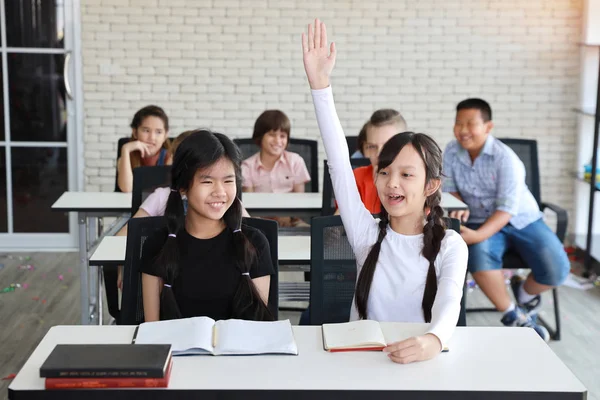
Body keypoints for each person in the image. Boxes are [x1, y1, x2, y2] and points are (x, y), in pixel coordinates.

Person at [302, 19, 468, 364]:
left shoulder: (451, 244)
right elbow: (338, 162)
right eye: (385, 172)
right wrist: (321, 86)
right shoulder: (366, 233)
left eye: (407, 174)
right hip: (360, 363)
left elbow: (450, 299)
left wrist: (434, 339)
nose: (392, 183)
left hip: (423, 362)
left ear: (431, 185)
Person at [444, 98, 570, 342]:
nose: (462, 130)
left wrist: (479, 235)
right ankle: (515, 316)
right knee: (479, 262)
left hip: (521, 219)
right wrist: (459, 206)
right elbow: (451, 188)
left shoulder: (506, 159)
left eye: (470, 123)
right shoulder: (451, 150)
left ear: (488, 127)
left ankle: (523, 293)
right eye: (458, 123)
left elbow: (506, 210)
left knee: (558, 269)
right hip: (481, 219)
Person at [140, 130, 274, 322]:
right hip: (177, 350)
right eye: (207, 181)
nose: (220, 192)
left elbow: (259, 329)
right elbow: (152, 331)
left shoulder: (254, 244)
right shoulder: (157, 245)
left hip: (239, 351)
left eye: (228, 181)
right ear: (183, 187)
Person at [242, 110, 311, 227]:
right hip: (259, 221)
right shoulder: (247, 167)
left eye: (282, 136)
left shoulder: (296, 161)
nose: (278, 141)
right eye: (272, 135)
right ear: (260, 136)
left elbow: (300, 201)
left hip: (291, 219)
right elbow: (248, 206)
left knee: (312, 235)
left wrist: (288, 215)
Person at [353, 109, 408, 214]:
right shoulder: (357, 177)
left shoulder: (414, 180)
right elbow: (337, 225)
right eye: (372, 146)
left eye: (388, 145)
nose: (379, 154)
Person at [117, 105, 172, 192]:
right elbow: (127, 189)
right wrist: (125, 149)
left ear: (165, 135)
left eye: (158, 132)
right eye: (146, 130)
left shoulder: (170, 158)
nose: (152, 137)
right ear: (135, 132)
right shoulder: (126, 158)